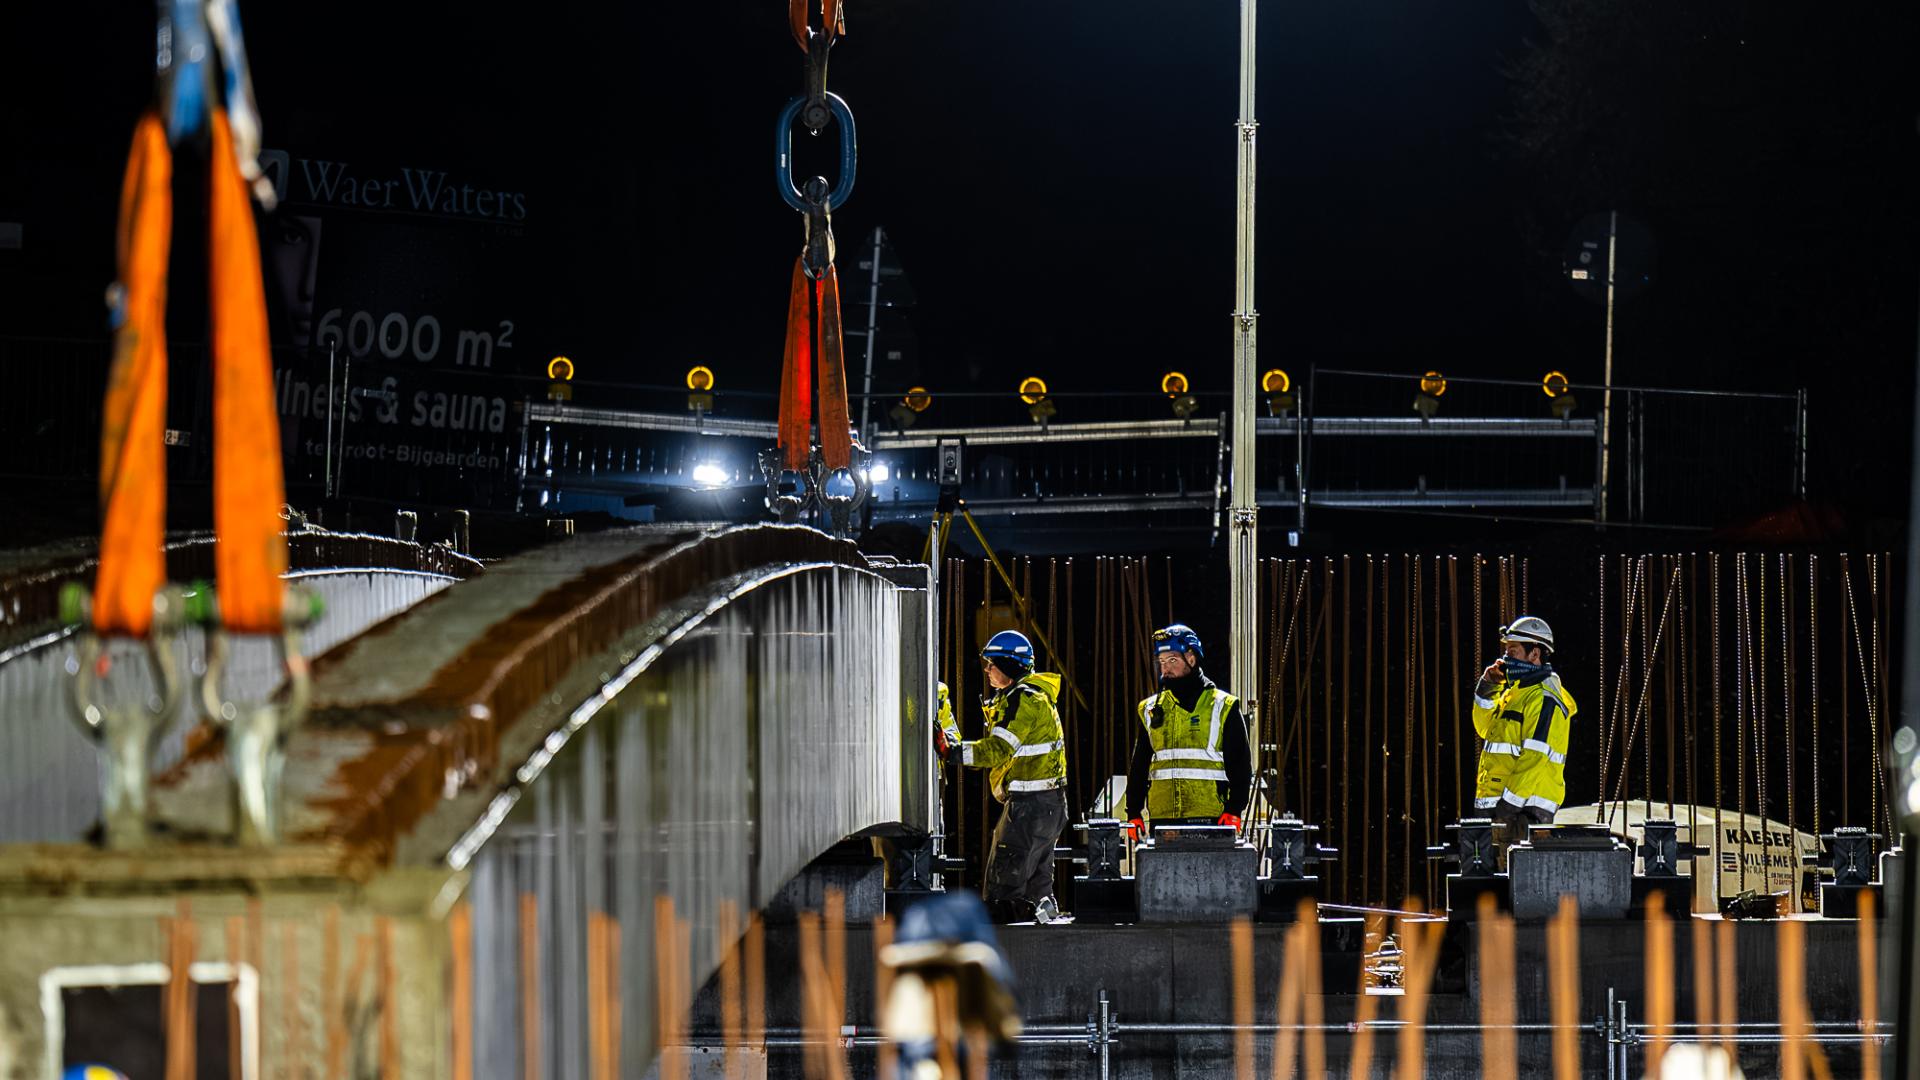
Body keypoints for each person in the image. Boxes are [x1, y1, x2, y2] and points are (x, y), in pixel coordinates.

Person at [935, 630, 1068, 924]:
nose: (986, 670)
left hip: (1029, 807)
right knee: (1037, 886)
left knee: (1003, 885)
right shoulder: (1035, 697)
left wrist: (951, 751)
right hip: (1049, 805)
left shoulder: (1024, 700)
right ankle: (1043, 951)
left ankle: (1008, 949)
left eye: (992, 664)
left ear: (1009, 665)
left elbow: (997, 749)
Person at [1122, 624, 1252, 839]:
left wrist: (1234, 809)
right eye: (1161, 662)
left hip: (1211, 818)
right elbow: (1140, 764)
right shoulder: (1150, 710)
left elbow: (1240, 763)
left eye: (1172, 660)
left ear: (1191, 658)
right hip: (1164, 821)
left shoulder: (1222, 706)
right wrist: (1133, 811)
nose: (1165, 668)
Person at [1473, 616, 1577, 837]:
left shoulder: (1544, 698)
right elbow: (1485, 730)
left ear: (1535, 654)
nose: (1505, 659)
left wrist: (1508, 806)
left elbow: (1535, 757)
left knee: (1520, 871)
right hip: (1501, 808)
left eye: (1512, 652)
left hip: (1525, 812)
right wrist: (1488, 687)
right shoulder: (1515, 694)